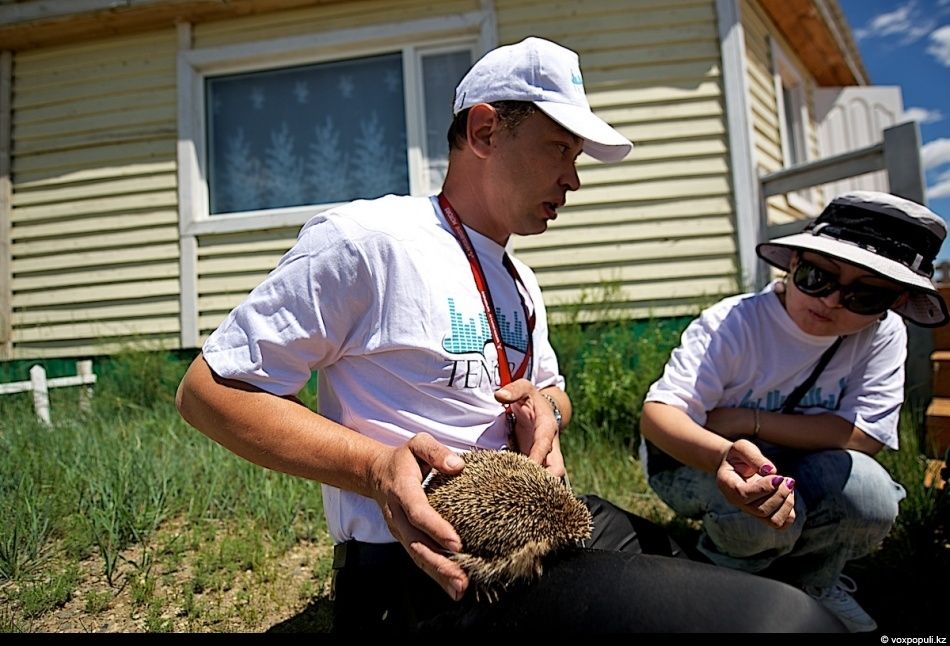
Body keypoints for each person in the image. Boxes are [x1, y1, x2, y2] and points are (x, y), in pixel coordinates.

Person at [177, 36, 843, 632]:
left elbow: (553, 392)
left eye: (577, 155)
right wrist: (377, 468)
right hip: (435, 563)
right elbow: (209, 393)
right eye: (560, 148)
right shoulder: (366, 241)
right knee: (785, 621)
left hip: (542, 518)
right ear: (486, 131)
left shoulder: (519, 277)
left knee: (726, 576)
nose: (574, 179)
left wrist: (546, 410)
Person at [640, 190, 949, 632]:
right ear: (793, 262)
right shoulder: (734, 322)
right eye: (817, 277)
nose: (832, 302)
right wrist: (724, 456)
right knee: (769, 512)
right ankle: (721, 575)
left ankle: (811, 579)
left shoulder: (883, 336)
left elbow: (865, 436)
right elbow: (658, 416)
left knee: (872, 497)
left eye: (865, 297)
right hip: (694, 460)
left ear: (894, 303)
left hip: (792, 462)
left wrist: (751, 421)